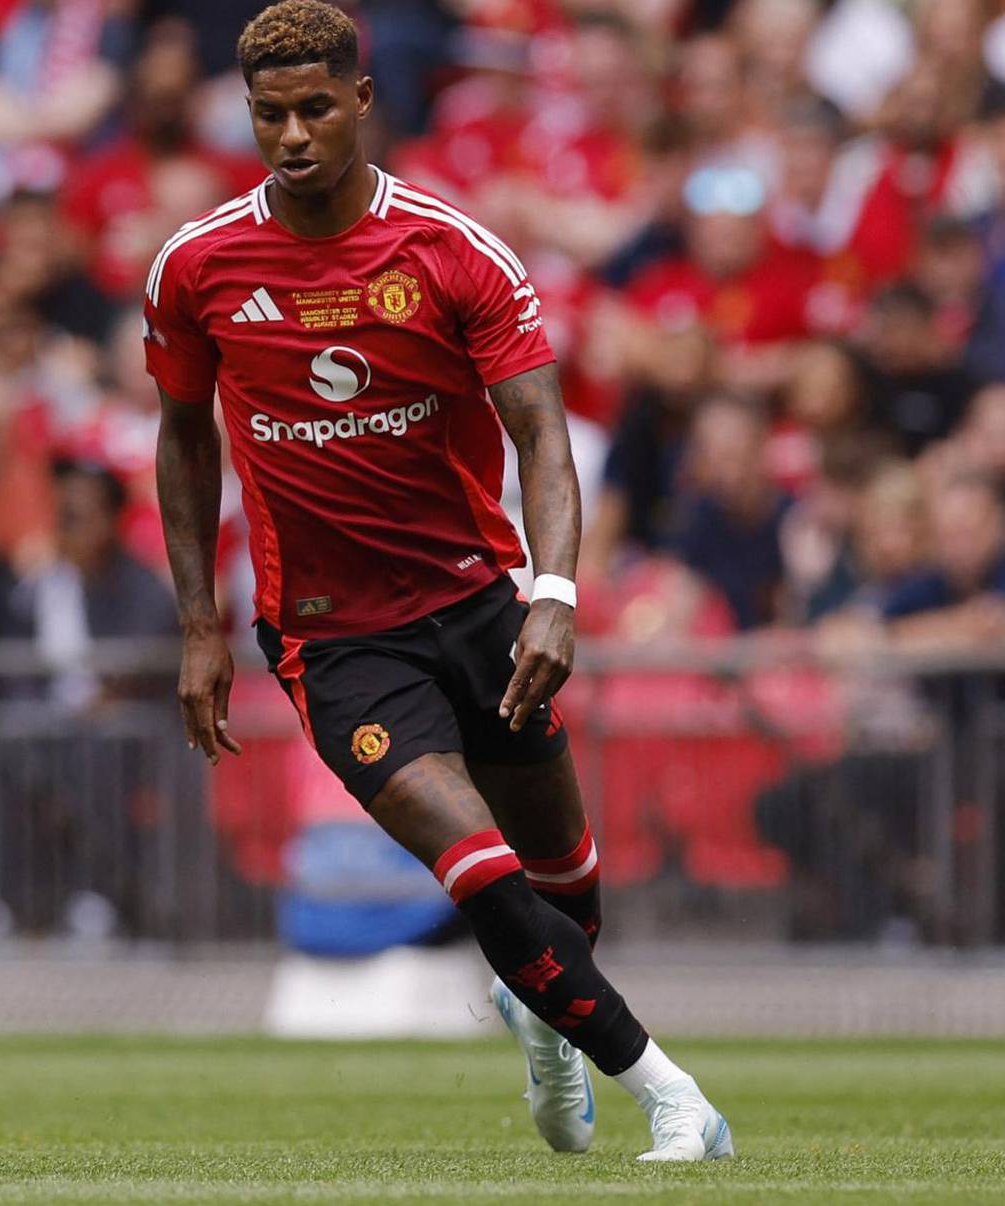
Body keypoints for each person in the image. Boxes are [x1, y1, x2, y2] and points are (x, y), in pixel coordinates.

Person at [145, 2, 733, 1162]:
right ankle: (675, 1097)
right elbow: (181, 437)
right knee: (478, 869)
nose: (295, 135)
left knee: (564, 883)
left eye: (317, 108)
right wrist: (199, 627)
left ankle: (546, 1020)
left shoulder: (456, 251)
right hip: (333, 640)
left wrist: (553, 597)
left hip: (478, 604)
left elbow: (544, 439)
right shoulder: (198, 264)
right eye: (271, 115)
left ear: (364, 102)